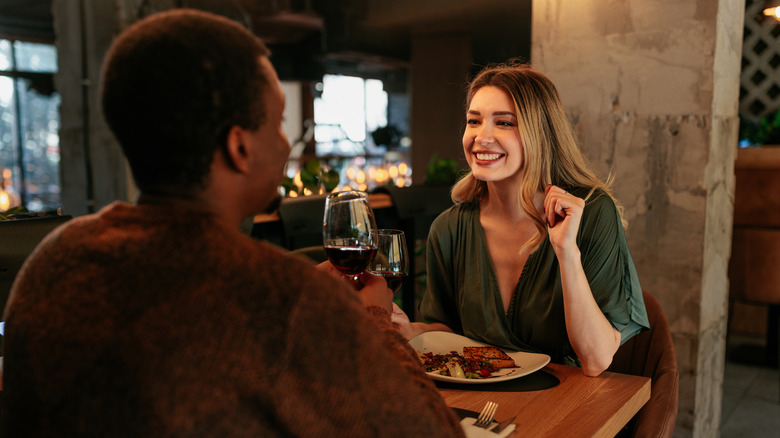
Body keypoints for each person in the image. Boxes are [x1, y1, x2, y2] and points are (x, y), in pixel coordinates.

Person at [1, 9, 464, 437]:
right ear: (239, 147)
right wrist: (373, 318)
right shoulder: (282, 298)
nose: (286, 145)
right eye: (279, 123)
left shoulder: (52, 264)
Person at [397, 61, 649, 377]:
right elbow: (448, 332)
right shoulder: (448, 229)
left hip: (569, 407)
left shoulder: (592, 212)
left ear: (540, 134)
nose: (481, 137)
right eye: (474, 121)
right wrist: (411, 331)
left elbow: (596, 360)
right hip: (485, 406)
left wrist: (567, 251)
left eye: (504, 123)